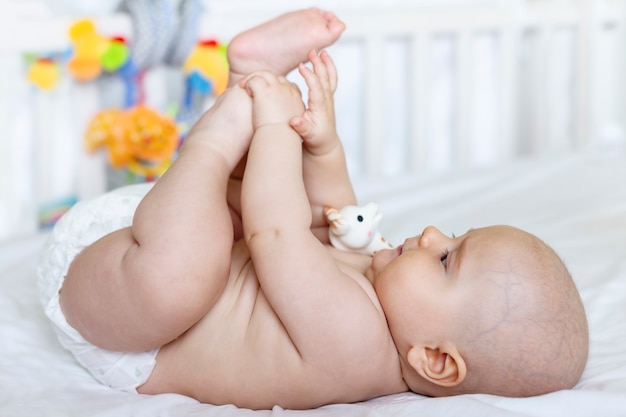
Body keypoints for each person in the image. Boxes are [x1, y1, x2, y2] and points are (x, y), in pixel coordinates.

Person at [38, 8, 589, 410]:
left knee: (189, 270)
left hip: (124, 322)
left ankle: (213, 137)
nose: (430, 233)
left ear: (435, 361)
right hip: (153, 238)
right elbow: (332, 211)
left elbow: (275, 234)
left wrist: (278, 127)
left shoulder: (355, 346)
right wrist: (321, 141)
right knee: (256, 214)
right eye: (453, 235)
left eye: (447, 259)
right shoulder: (387, 284)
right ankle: (249, 77)